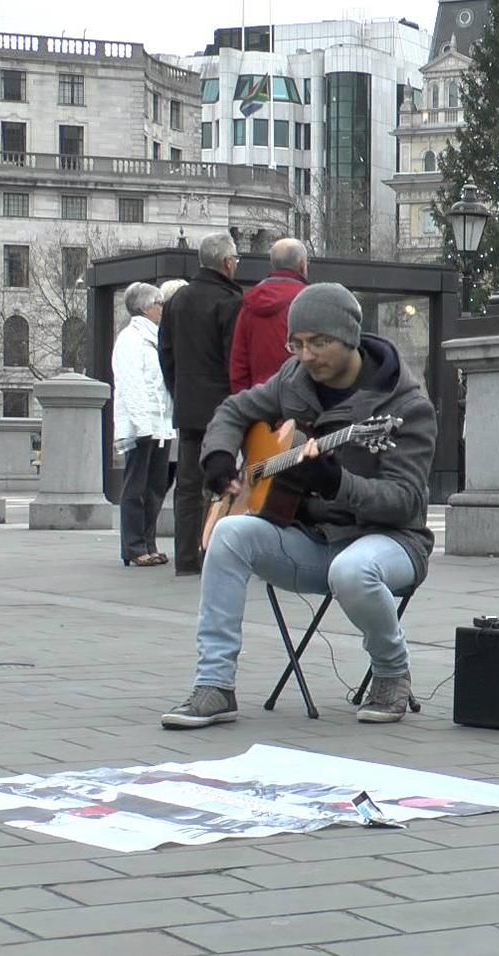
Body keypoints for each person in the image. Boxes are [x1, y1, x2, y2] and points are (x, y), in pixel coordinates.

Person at [161, 283, 438, 729]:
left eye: (319, 343)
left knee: (352, 571)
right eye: (298, 343)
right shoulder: (293, 379)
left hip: (390, 544)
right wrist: (217, 456)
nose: (306, 356)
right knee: (228, 535)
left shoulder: (406, 405)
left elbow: (403, 502)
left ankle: (391, 671)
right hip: (312, 540)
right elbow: (233, 410)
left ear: (349, 338)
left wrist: (336, 482)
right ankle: (215, 685)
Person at [158, 232, 243, 576]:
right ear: (226, 263)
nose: (236, 265)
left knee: (188, 484)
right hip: (223, 408)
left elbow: (165, 353)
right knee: (223, 481)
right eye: (235, 260)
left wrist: (179, 390)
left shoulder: (178, 300)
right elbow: (234, 359)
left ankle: (186, 560)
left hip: (188, 405)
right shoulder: (230, 302)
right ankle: (213, 554)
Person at [112, 282, 175, 568]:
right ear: (144, 307)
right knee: (135, 486)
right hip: (142, 426)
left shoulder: (156, 337)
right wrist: (141, 424)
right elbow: (130, 383)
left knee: (155, 487)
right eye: (158, 303)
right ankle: (134, 546)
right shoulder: (130, 338)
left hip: (161, 424)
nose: (162, 308)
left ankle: (148, 543)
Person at [230, 238, 311, 391]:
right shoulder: (309, 300)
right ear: (302, 265)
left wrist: (244, 404)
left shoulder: (249, 303)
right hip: (300, 402)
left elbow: (239, 362)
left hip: (259, 402)